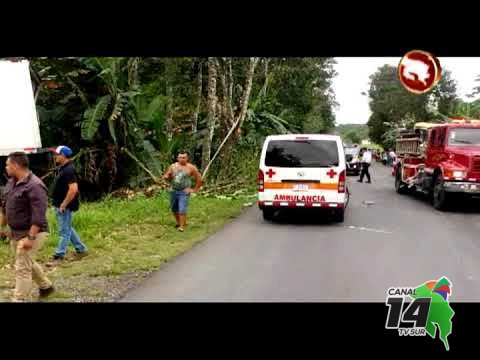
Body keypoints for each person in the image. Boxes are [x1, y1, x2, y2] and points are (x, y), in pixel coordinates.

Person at [0, 152, 54, 301]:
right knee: (26, 261)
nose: (6, 167)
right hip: (16, 232)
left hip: (33, 232)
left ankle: (19, 299)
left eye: (7, 164)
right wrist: (2, 227)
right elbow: (4, 207)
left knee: (22, 267)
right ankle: (46, 287)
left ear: (16, 165)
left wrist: (31, 237)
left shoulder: (35, 185)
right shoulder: (11, 182)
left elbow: (39, 215)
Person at [51, 146, 88, 261]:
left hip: (64, 206)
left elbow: (73, 189)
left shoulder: (69, 170)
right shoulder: (63, 168)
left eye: (56, 154)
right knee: (67, 228)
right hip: (59, 204)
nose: (54, 156)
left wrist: (64, 204)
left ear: (63, 155)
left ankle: (59, 254)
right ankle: (81, 249)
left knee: (64, 231)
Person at [163, 150, 203, 232]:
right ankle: (179, 223)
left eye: (184, 157)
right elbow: (167, 175)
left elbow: (199, 179)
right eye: (180, 157)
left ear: (187, 158)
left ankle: (182, 227)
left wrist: (194, 190)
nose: (182, 159)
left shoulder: (191, 167)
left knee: (182, 208)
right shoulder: (173, 166)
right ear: (177, 158)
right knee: (174, 209)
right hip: (173, 190)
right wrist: (166, 177)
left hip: (184, 191)